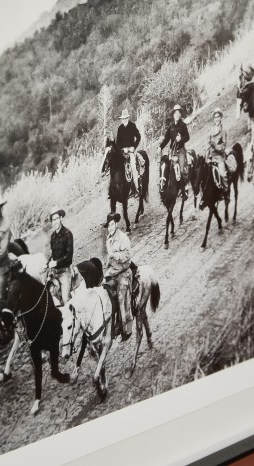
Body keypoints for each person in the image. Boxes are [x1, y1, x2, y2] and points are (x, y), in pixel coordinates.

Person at [103, 212, 132, 341]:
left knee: (122, 297)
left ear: (116, 224)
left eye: (112, 225)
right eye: (108, 225)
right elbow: (108, 258)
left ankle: (127, 329)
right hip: (112, 270)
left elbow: (127, 256)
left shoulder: (123, 238)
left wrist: (115, 256)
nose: (110, 228)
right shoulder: (108, 238)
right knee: (103, 288)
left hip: (123, 269)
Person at [157, 104, 190, 198]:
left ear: (180, 114)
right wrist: (160, 147)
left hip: (181, 151)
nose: (177, 115)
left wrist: (181, 139)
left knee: (182, 169)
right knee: (167, 168)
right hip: (172, 152)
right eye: (175, 113)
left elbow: (187, 137)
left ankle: (185, 188)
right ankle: (166, 188)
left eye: (179, 113)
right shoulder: (171, 126)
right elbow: (166, 139)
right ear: (173, 114)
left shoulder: (183, 125)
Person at [46, 205, 74, 306]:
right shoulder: (53, 236)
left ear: (61, 218)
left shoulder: (68, 233)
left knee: (66, 299)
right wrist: (47, 264)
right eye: (53, 220)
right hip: (54, 272)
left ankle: (72, 319)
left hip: (64, 272)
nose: (55, 222)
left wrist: (56, 263)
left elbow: (69, 255)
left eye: (57, 219)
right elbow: (53, 255)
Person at [116, 109, 142, 196]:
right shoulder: (120, 128)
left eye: (125, 118)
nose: (124, 120)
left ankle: (137, 188)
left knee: (133, 167)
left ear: (128, 118)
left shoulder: (132, 126)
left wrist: (133, 147)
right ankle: (123, 190)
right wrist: (122, 149)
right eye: (122, 119)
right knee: (120, 169)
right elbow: (117, 143)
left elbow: (138, 137)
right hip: (123, 152)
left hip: (131, 151)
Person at [206, 108, 229, 195]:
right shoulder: (212, 130)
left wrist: (215, 146)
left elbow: (223, 146)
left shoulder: (223, 130)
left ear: (220, 117)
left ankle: (226, 191)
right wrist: (208, 156)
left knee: (223, 174)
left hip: (219, 157)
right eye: (215, 117)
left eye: (218, 116)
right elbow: (209, 144)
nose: (216, 119)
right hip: (212, 156)